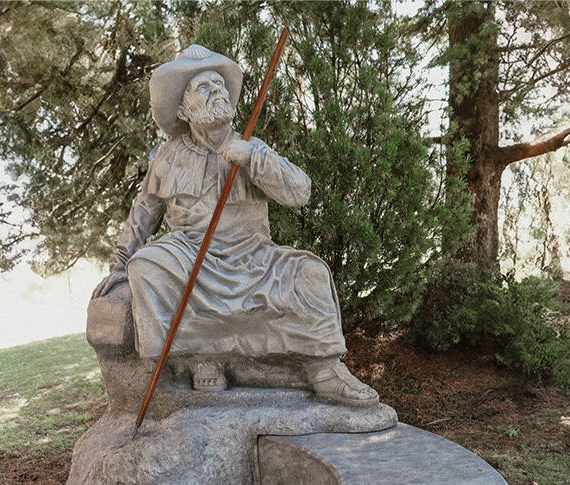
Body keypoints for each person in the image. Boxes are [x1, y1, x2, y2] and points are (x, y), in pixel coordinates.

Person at [92, 44, 377, 408]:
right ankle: (200, 358)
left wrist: (255, 159)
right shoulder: (167, 156)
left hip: (253, 255)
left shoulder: (251, 146)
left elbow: (300, 192)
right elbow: (143, 213)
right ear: (183, 108)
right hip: (189, 251)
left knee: (309, 273)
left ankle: (325, 371)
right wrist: (119, 264)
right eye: (204, 87)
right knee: (147, 267)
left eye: (219, 84)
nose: (217, 91)